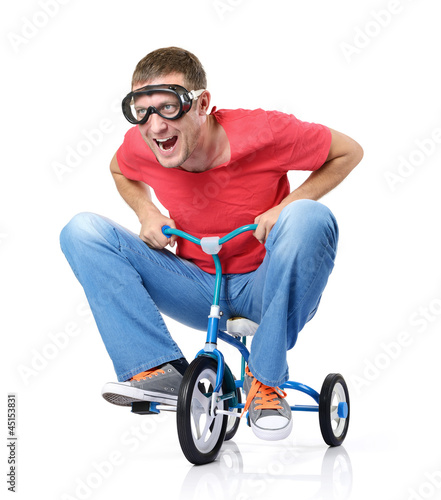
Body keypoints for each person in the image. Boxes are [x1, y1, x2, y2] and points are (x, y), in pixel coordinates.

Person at [60, 46, 363, 441]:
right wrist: (147, 213)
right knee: (81, 230)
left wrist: (286, 207)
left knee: (309, 216)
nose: (154, 127)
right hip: (199, 286)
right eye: (142, 111)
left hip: (267, 283)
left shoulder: (266, 132)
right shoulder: (142, 144)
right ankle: (157, 371)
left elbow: (348, 151)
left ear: (202, 103)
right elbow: (119, 169)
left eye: (168, 108)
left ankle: (265, 378)